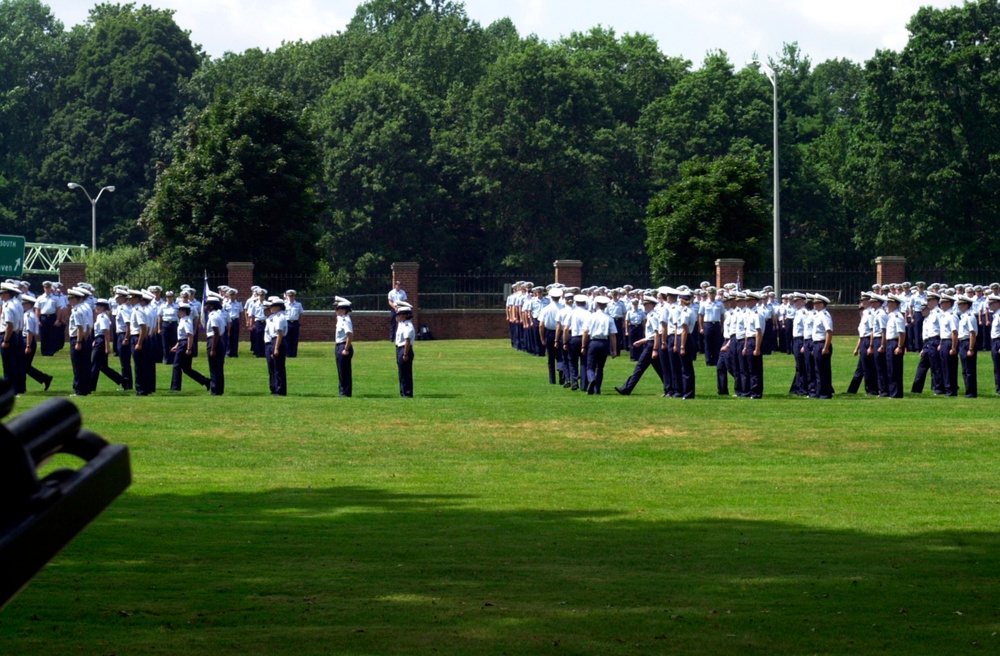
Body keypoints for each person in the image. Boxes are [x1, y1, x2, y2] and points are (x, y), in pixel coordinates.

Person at [616, 295, 663, 395]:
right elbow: (651, 335)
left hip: (651, 345)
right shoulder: (650, 315)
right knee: (660, 369)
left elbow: (656, 333)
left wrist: (654, 349)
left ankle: (627, 388)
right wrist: (642, 341)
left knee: (639, 367)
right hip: (650, 343)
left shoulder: (653, 316)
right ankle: (671, 388)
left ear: (651, 305)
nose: (644, 306)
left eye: (646, 304)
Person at [170, 303, 211, 392]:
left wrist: (189, 348)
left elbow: (189, 335)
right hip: (182, 343)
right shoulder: (182, 320)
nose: (178, 312)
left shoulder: (187, 321)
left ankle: (175, 388)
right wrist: (176, 346)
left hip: (185, 344)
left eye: (180, 310)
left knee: (177, 366)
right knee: (187, 369)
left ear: (184, 311)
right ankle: (205, 381)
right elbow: (181, 336)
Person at [581, 295, 617, 395]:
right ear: (605, 306)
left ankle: (592, 379)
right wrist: (614, 350)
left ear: (596, 304)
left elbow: (585, 332)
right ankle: (597, 389)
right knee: (600, 368)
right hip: (604, 343)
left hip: (593, 342)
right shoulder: (609, 318)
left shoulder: (591, 316)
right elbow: (613, 335)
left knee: (590, 367)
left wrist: (583, 346)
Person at [90, 299, 125, 392]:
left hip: (101, 341)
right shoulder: (100, 316)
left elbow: (106, 332)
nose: (96, 307)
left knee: (95, 364)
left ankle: (91, 386)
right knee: (103, 366)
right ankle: (122, 380)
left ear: (103, 307)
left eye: (99, 306)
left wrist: (107, 346)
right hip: (99, 339)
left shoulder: (102, 317)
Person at [21, 294, 52, 391]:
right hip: (29, 340)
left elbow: (29, 331)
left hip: (28, 340)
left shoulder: (28, 315)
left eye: (24, 303)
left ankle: (44, 378)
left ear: (29, 304)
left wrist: (28, 345)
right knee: (24, 366)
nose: (22, 305)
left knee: (23, 366)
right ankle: (44, 378)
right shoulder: (31, 314)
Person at [66, 287, 93, 396]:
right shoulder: (86, 308)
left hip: (77, 338)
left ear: (75, 299)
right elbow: (88, 326)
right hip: (85, 338)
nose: (69, 301)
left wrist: (79, 342)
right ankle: (85, 388)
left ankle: (79, 389)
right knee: (85, 365)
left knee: (78, 365)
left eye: (70, 299)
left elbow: (80, 328)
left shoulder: (77, 310)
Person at [811, 294, 835, 399]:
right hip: (817, 344)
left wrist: (825, 347)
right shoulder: (818, 315)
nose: (814, 304)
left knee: (823, 370)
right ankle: (819, 391)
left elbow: (829, 332)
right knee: (818, 369)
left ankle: (825, 393)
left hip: (822, 343)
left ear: (821, 304)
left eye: (816, 303)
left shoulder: (825, 315)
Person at [264, 296, 288, 395]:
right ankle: (274, 387)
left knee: (279, 368)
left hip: (278, 341)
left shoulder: (280, 317)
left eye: (273, 306)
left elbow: (279, 334)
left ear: (279, 307)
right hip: (272, 341)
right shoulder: (273, 317)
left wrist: (276, 348)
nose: (271, 308)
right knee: (272, 367)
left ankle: (280, 389)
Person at [205, 293, 228, 395]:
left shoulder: (213, 316)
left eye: (207, 305)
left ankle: (215, 389)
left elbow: (216, 333)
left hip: (214, 341)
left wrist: (213, 349)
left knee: (214, 367)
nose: (205, 307)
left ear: (212, 306)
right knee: (219, 367)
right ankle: (219, 389)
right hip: (220, 340)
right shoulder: (220, 314)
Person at [884, 294, 907, 398]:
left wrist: (900, 346)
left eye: (890, 303)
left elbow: (901, 333)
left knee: (895, 369)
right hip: (889, 342)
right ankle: (892, 391)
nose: (887, 305)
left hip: (895, 343)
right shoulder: (891, 315)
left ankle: (896, 393)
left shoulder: (898, 316)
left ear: (895, 304)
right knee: (890, 369)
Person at [957, 295, 978, 398]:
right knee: (965, 369)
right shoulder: (963, 316)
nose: (958, 306)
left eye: (960, 304)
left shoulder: (970, 316)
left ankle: (971, 392)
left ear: (966, 305)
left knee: (969, 370)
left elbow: (972, 333)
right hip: (962, 343)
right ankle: (968, 390)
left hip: (967, 343)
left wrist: (970, 348)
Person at [394, 302, 415, 397]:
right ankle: (403, 392)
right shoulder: (402, 324)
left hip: (405, 349)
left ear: (406, 315)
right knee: (401, 373)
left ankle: (407, 393)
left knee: (405, 373)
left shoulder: (408, 326)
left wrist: (405, 354)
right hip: (399, 348)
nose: (398, 316)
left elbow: (407, 341)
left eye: (400, 314)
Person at [335, 298, 354, 396]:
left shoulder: (345, 320)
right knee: (341, 371)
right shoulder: (340, 318)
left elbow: (350, 335)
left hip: (343, 345)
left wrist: (346, 349)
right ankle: (342, 391)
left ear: (344, 310)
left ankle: (345, 393)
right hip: (339, 345)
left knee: (344, 371)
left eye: (338, 309)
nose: (336, 311)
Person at [159, 291, 179, 364]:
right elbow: (160, 317)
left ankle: (173, 358)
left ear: (173, 297)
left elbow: (179, 316)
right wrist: (159, 328)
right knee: (165, 342)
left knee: (173, 341)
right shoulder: (162, 306)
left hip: (174, 324)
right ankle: (166, 359)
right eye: (167, 297)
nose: (169, 298)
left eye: (170, 297)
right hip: (165, 324)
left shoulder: (177, 306)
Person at [226, 288, 242, 357]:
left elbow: (240, 313)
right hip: (228, 321)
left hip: (235, 320)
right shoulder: (225, 304)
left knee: (235, 337)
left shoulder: (238, 304)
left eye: (233, 295)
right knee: (228, 336)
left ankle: (235, 352)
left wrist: (240, 321)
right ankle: (229, 352)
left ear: (235, 295)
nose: (232, 296)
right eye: (230, 295)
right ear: (229, 296)